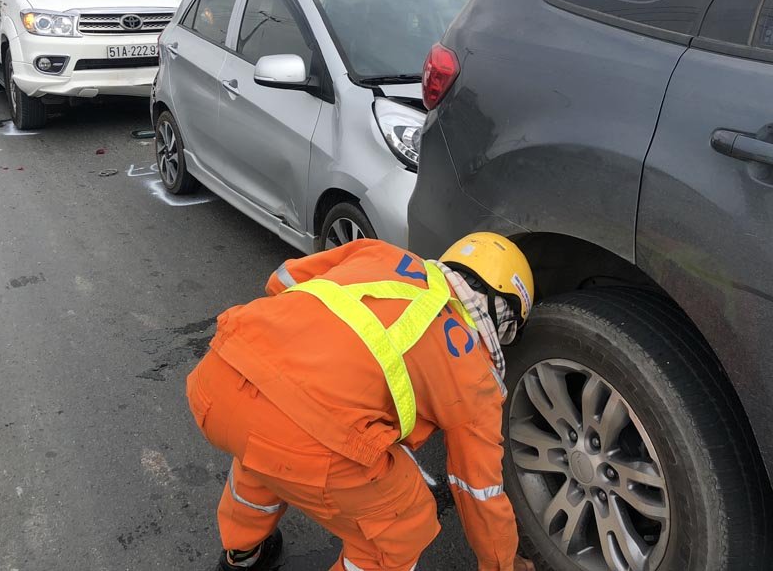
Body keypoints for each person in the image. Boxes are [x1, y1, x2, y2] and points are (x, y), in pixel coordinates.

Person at [186, 233, 537, 571]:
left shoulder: (380, 253)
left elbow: (283, 280)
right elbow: (479, 488)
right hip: (307, 437)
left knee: (263, 449)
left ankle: (242, 555)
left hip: (219, 378)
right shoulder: (474, 372)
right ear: (503, 315)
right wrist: (501, 564)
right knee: (404, 524)